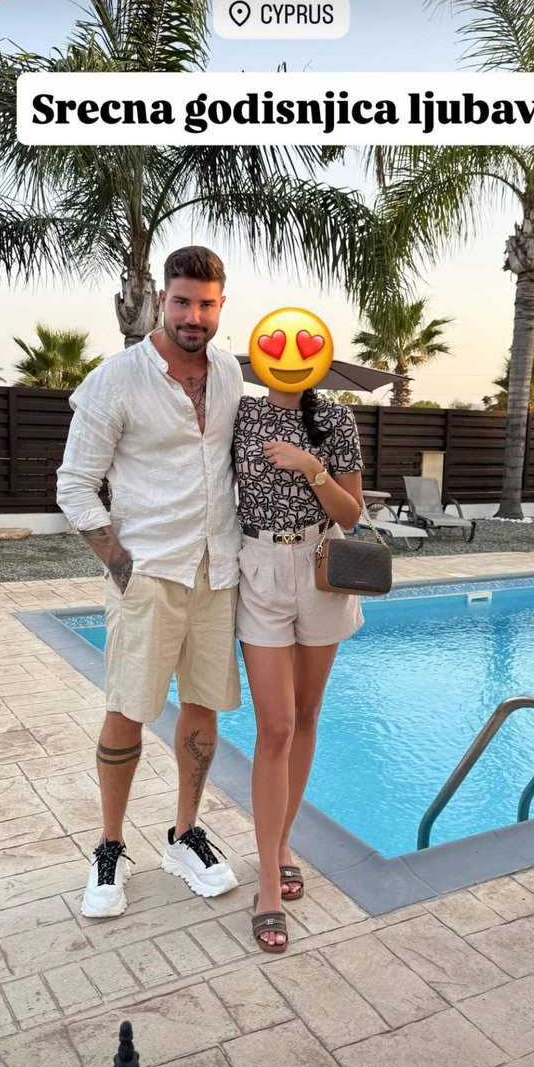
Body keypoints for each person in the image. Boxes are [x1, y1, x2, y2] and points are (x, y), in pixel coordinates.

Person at [57, 246, 244, 918]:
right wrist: (120, 566)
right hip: (149, 573)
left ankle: (184, 834)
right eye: (182, 302)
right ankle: (109, 845)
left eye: (206, 304)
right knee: (128, 707)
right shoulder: (117, 379)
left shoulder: (229, 372)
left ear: (221, 305)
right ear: (162, 300)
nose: (194, 316)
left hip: (217, 570)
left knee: (202, 704)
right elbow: (75, 485)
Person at [233, 384, 365, 952]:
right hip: (258, 567)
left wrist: (312, 466)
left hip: (321, 566)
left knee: (307, 715)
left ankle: (283, 842)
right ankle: (267, 881)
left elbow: (351, 514)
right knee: (276, 727)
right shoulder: (239, 411)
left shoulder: (335, 416)